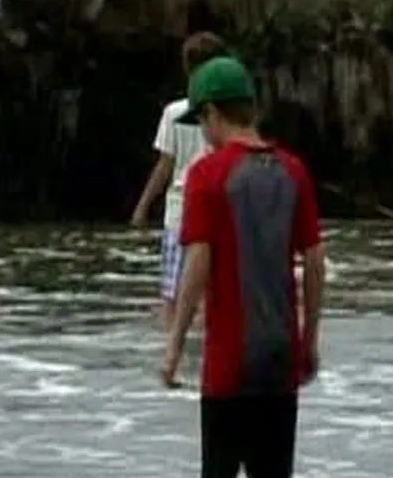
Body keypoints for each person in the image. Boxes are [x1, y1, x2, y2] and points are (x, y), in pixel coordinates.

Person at [160, 56, 326, 478]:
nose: (202, 132)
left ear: (213, 113)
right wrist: (307, 340)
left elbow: (198, 261)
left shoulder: (207, 175)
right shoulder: (294, 171)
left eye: (201, 120)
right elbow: (315, 261)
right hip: (279, 357)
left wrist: (174, 346)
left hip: (229, 363)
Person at [131, 32, 226, 332]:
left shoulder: (174, 112)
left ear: (187, 69)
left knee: (173, 295)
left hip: (179, 213)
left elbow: (164, 165)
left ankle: (175, 349)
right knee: (213, 293)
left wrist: (142, 207)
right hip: (219, 209)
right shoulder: (228, 114)